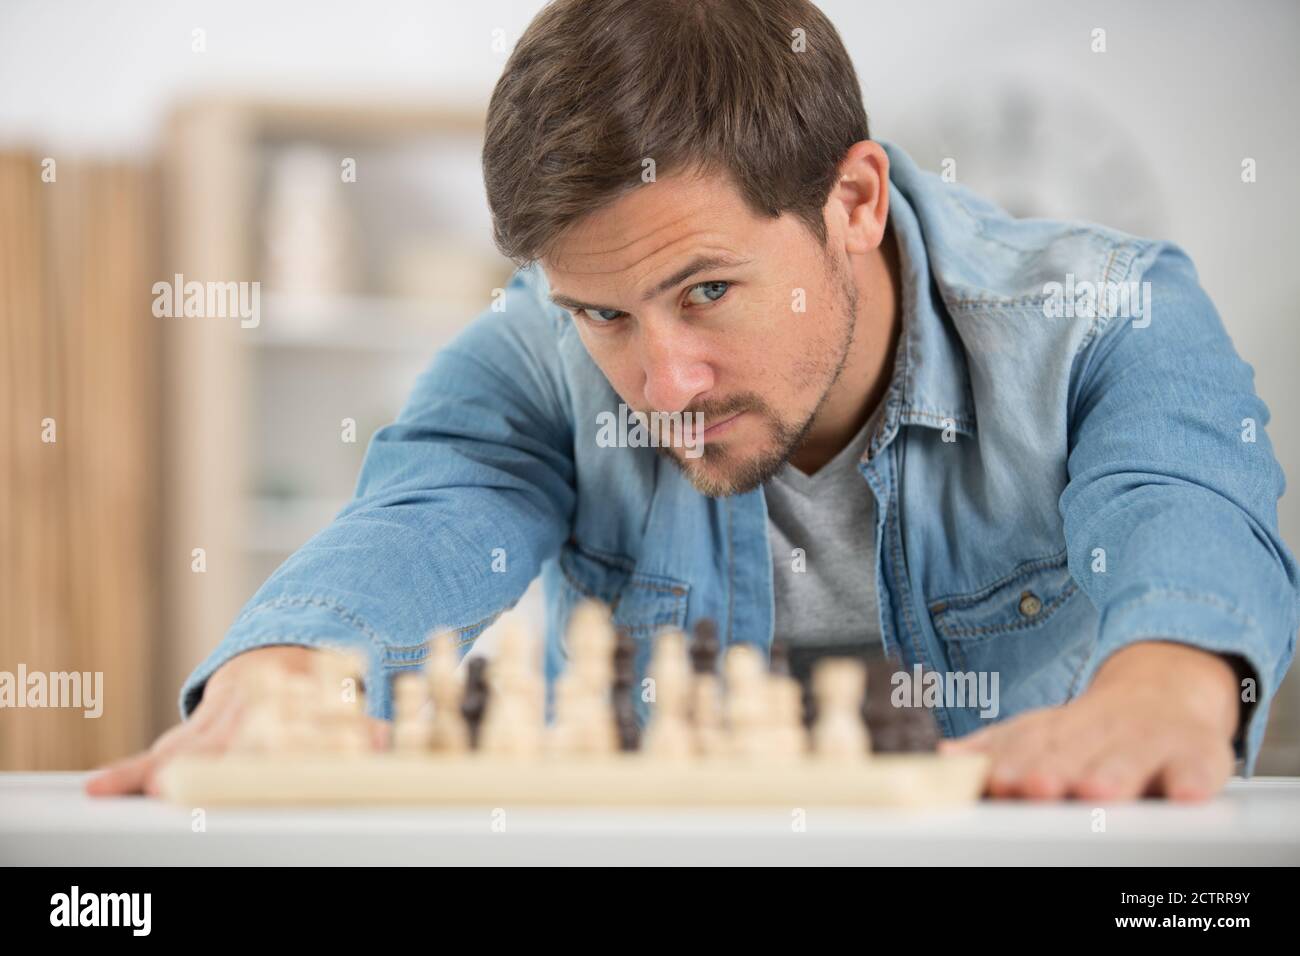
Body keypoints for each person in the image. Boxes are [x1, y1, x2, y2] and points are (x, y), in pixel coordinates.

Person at [89, 0, 1297, 801]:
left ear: (855, 202)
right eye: (604, 313)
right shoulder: (533, 355)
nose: (661, 385)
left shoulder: (1105, 317)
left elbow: (1184, 504)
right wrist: (292, 664)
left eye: (707, 289)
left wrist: (1170, 679)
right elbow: (426, 511)